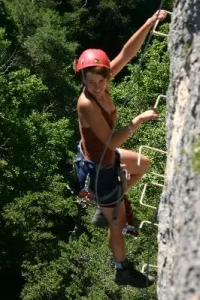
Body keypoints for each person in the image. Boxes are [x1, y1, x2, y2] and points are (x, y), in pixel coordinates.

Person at [74, 10, 167, 288]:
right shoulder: (86, 104)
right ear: (82, 78)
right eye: (90, 82)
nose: (97, 87)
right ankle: (121, 269)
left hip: (106, 159)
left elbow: (127, 53)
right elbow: (111, 142)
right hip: (100, 168)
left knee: (144, 163)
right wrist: (137, 121)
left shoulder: (103, 82)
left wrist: (149, 23)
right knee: (118, 224)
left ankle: (106, 207)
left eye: (102, 81)